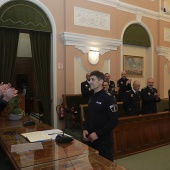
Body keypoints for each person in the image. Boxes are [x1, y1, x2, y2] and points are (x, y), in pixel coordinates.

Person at [83, 70, 119, 161]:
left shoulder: (109, 99)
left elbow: (114, 121)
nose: (90, 82)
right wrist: (85, 129)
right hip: (91, 140)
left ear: (101, 81)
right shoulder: (91, 98)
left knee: (105, 166)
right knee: (93, 163)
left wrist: (98, 134)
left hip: (103, 140)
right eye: (90, 79)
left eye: (93, 79)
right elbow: (89, 116)